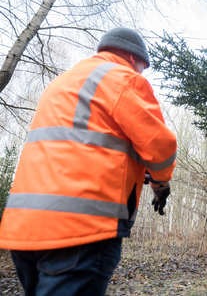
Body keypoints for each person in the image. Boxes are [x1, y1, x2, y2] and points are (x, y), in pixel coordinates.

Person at [0, 27, 177, 296]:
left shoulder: (63, 83)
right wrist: (160, 183)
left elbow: (78, 149)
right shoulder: (123, 78)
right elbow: (160, 147)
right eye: (143, 66)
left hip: (23, 229)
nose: (142, 73)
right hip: (82, 228)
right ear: (132, 58)